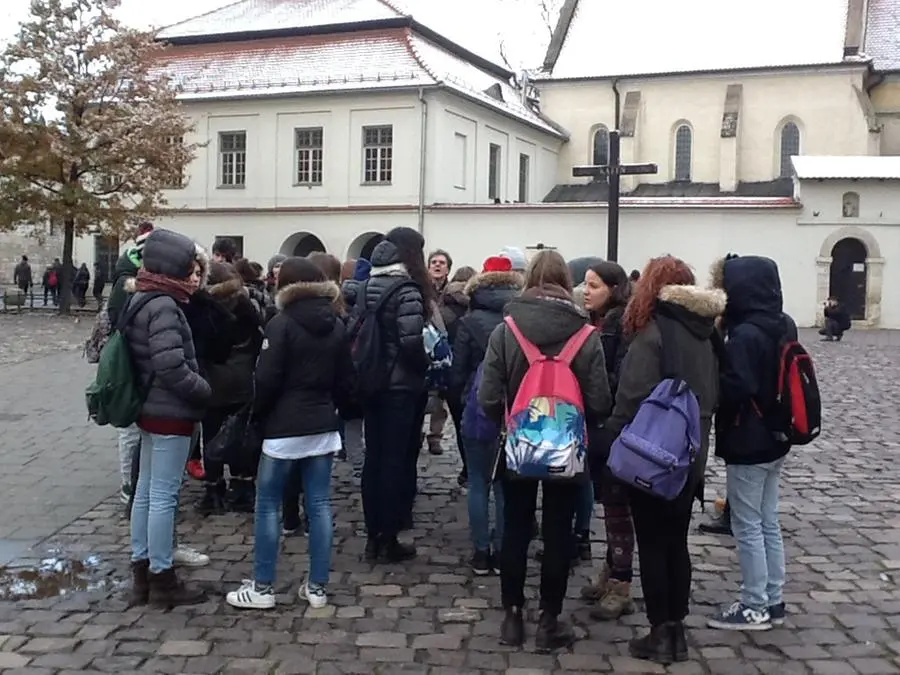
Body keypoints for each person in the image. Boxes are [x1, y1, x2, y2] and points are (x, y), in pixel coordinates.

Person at [479, 250, 612, 651]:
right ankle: (549, 620)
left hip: (519, 446)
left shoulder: (506, 331)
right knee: (557, 534)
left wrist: (509, 423)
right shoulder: (586, 335)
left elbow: (487, 395)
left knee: (515, 529)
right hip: (567, 451)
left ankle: (512, 618)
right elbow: (601, 401)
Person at [596, 255, 723, 664]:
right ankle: (678, 630)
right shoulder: (707, 334)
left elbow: (629, 398)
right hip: (692, 454)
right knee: (676, 544)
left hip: (654, 455)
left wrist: (606, 444)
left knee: (652, 545)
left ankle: (660, 633)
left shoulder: (653, 335)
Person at [226, 257, 355, 610]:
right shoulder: (337, 324)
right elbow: (346, 379)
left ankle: (263, 587)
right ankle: (317, 587)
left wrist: (258, 416)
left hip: (284, 426)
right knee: (320, 504)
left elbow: (266, 379)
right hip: (323, 424)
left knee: (268, 504)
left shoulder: (280, 324)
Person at [708, 255, 796, 631]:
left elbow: (736, 386)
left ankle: (754, 604)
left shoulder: (745, 333)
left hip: (749, 437)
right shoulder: (783, 323)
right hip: (777, 434)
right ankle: (773, 598)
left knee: (746, 524)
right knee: (767, 520)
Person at [125, 228, 212, 608]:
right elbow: (169, 364)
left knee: (146, 493)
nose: (194, 277)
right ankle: (162, 576)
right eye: (190, 270)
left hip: (150, 409)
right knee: (162, 496)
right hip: (169, 412)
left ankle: (142, 571)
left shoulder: (143, 297)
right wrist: (203, 390)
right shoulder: (163, 305)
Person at [355, 227, 431, 563]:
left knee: (374, 459)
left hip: (372, 382)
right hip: (401, 387)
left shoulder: (365, 287)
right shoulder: (408, 290)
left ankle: (373, 536)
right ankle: (388, 538)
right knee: (395, 461)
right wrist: (423, 366)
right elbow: (411, 341)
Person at [450, 255, 523, 575]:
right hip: (515, 409)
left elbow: (457, 372)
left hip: (479, 407)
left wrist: (461, 398)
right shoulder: (521, 317)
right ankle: (506, 548)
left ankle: (481, 552)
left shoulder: (469, 320)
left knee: (479, 481)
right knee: (505, 485)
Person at [577, 261, 636, 620]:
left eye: (594, 285)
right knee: (611, 506)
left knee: (618, 509)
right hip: (601, 422)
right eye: (585, 284)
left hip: (613, 425)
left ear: (612, 289)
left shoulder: (619, 324)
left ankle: (621, 584)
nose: (586, 291)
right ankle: (611, 571)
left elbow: (616, 375)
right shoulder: (600, 321)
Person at [197, 262, 263, 515]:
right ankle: (243, 486)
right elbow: (259, 336)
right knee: (239, 434)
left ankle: (214, 490)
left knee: (212, 436)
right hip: (243, 377)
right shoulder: (246, 303)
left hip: (213, 380)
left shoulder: (203, 306)